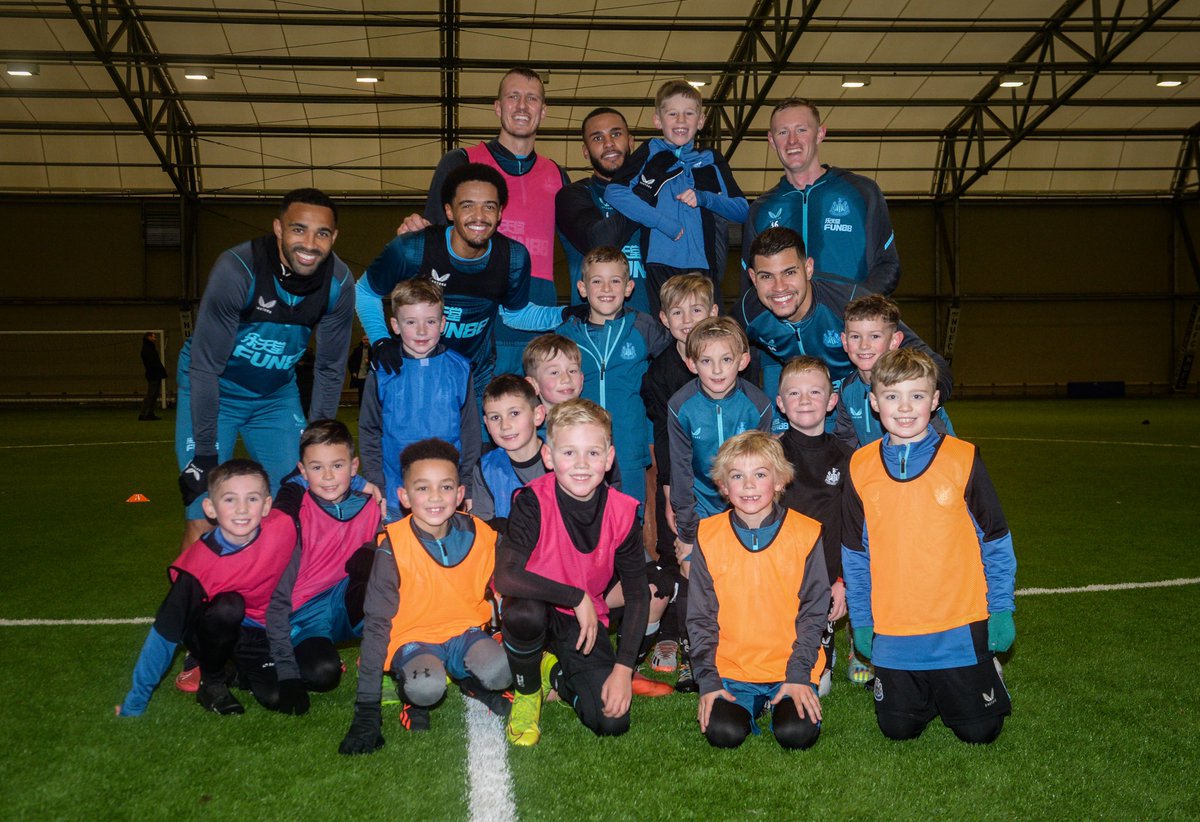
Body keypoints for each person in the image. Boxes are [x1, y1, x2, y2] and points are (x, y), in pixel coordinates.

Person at [842, 348, 1016, 744]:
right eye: (892, 396)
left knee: (980, 731)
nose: (904, 408)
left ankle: (981, 672)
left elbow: (996, 539)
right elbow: (854, 554)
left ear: (935, 400)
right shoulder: (860, 466)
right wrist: (863, 619)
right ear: (873, 402)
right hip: (894, 625)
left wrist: (1001, 609)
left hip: (959, 621)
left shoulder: (963, 457)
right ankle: (933, 687)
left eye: (917, 396)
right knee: (898, 729)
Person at [175, 188, 354, 548]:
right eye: (298, 229)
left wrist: (316, 442)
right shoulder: (238, 269)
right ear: (278, 228)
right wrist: (205, 450)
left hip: (275, 396)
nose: (310, 243)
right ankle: (192, 605)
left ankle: (275, 602)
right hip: (216, 391)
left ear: (333, 237)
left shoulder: (339, 283)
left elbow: (331, 368)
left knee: (294, 505)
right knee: (205, 513)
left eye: (322, 233)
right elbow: (206, 367)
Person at [339, 439, 511, 753]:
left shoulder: (482, 535)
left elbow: (514, 583)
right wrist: (366, 711)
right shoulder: (393, 545)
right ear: (404, 497)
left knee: (501, 671)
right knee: (426, 687)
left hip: (464, 634)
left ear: (460, 495)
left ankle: (467, 680)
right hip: (413, 640)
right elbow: (377, 626)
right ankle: (409, 693)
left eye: (446, 487)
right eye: (422, 488)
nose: (435, 497)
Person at [495, 399, 650, 746]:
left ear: (609, 459)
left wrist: (624, 669)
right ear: (549, 458)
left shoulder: (622, 513)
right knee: (523, 611)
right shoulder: (532, 501)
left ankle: (555, 672)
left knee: (611, 722)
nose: (581, 465)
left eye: (593, 454)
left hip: (583, 624)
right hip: (536, 608)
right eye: (569, 453)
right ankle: (527, 690)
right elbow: (505, 576)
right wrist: (575, 596)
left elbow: (638, 594)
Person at [398, 68, 569, 376]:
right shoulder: (461, 162)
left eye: (531, 99)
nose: (521, 106)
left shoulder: (558, 176)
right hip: (475, 316)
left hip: (535, 316)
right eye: (513, 97)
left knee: (534, 417)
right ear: (498, 107)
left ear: (543, 112)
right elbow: (433, 241)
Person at [357, 163, 561, 397]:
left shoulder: (513, 257)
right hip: (413, 378)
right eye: (467, 206)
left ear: (500, 213)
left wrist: (567, 315)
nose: (479, 216)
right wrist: (380, 342)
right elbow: (365, 292)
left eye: (489, 207)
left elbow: (516, 315)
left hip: (472, 383)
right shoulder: (412, 248)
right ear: (449, 211)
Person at [116, 459, 297, 717]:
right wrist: (136, 701)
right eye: (230, 500)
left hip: (257, 632)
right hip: (211, 630)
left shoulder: (283, 525)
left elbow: (304, 485)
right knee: (229, 606)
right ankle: (212, 681)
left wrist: (363, 486)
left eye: (253, 499)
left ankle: (237, 671)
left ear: (267, 505)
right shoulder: (198, 566)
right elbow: (164, 635)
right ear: (210, 508)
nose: (242, 509)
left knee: (280, 696)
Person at [689, 431, 829, 749]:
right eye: (737, 476)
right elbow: (700, 616)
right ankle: (751, 700)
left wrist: (798, 675)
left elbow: (813, 612)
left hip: (789, 663)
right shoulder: (708, 536)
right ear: (724, 487)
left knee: (796, 734)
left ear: (779, 482)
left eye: (760, 474)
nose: (749, 485)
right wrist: (708, 681)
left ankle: (791, 693)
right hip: (732, 665)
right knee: (723, 733)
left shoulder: (805, 533)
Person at [736, 226, 951, 406]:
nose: (779, 288)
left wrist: (920, 405)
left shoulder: (850, 303)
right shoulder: (749, 311)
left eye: (789, 272)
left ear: (808, 268)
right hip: (811, 409)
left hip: (864, 407)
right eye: (766, 276)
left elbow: (935, 365)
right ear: (753, 278)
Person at [264, 420, 382, 715]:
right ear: (302, 472)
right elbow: (275, 596)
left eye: (337, 466)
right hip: (305, 612)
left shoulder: (371, 505)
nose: (328, 476)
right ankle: (271, 654)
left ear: (354, 466)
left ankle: (397, 654)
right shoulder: (293, 513)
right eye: (316, 468)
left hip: (347, 602)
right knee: (322, 674)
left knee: (383, 566)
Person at [605, 80, 748, 315]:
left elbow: (741, 209)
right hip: (659, 264)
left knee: (708, 338)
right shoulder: (650, 151)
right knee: (667, 338)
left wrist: (704, 198)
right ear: (658, 120)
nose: (681, 121)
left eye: (689, 113)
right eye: (673, 114)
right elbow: (615, 191)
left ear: (700, 121)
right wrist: (661, 222)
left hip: (704, 267)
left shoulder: (711, 159)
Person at [640, 273, 718, 687]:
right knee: (675, 551)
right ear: (664, 320)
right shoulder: (660, 374)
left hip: (726, 479)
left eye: (697, 309)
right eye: (677, 312)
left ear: (714, 313)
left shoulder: (736, 356)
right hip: (680, 478)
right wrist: (670, 491)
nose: (688, 319)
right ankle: (669, 635)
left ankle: (717, 634)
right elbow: (664, 439)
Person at [743, 98, 900, 295]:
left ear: (820, 133)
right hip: (785, 326)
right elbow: (750, 282)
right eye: (783, 132)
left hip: (849, 323)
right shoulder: (761, 209)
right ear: (772, 141)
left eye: (801, 130)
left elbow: (887, 264)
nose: (792, 141)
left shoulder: (861, 192)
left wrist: (857, 308)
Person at [555, 246, 672, 510]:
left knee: (630, 513)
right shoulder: (566, 336)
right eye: (597, 281)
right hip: (581, 445)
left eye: (615, 281)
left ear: (629, 287)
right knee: (583, 514)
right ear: (582, 288)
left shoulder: (643, 327)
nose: (606, 288)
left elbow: (673, 367)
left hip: (629, 442)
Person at [358, 279, 480, 522]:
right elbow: (369, 429)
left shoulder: (460, 368)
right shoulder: (382, 371)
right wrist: (376, 481)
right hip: (395, 493)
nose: (422, 331)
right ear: (395, 325)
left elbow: (470, 430)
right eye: (411, 322)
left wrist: (466, 481)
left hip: (446, 493)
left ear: (443, 323)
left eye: (431, 321)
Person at [667, 316, 773, 575]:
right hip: (701, 507)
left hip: (748, 505)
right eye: (706, 361)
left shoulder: (758, 405)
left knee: (747, 576)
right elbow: (680, 471)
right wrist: (687, 532)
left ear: (743, 361)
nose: (717, 370)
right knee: (693, 572)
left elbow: (766, 470)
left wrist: (760, 520)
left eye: (726, 359)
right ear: (691, 364)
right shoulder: (680, 406)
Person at [775, 356, 853, 692]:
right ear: (780, 403)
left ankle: (825, 640)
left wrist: (842, 582)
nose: (804, 401)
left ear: (832, 400)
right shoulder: (769, 454)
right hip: (777, 575)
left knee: (816, 686)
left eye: (814, 393)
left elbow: (854, 527)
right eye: (794, 394)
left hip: (826, 576)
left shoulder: (848, 458)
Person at [556, 107, 649, 313]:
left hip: (653, 331)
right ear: (586, 151)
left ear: (631, 141)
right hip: (592, 334)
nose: (609, 143)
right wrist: (644, 193)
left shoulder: (657, 194)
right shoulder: (573, 195)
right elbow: (601, 241)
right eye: (598, 138)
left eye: (616, 134)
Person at [835, 293, 955, 449]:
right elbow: (845, 444)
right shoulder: (847, 389)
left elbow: (941, 442)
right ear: (844, 341)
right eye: (855, 337)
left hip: (924, 469)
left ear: (894, 341)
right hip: (877, 471)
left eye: (875, 336)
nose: (864, 345)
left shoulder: (913, 383)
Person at [472, 374, 547, 529]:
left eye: (514, 413)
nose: (505, 426)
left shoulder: (564, 459)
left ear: (538, 415)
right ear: (486, 424)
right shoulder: (486, 469)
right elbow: (484, 531)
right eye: (495, 418)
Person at [522, 332, 584, 420]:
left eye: (572, 371)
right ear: (533, 385)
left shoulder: (595, 425)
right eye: (554, 372)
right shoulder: (530, 431)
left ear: (581, 380)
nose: (566, 379)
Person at [138, 331, 167, 421]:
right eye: (153, 337)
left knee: (154, 394)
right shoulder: (147, 349)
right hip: (153, 374)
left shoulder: (149, 348)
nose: (155, 339)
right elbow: (152, 362)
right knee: (151, 394)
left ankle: (150, 413)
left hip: (154, 374)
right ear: (149, 337)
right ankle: (143, 414)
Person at [347, 335, 371, 406]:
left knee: (370, 394)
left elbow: (377, 362)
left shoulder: (372, 350)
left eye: (367, 339)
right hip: (360, 376)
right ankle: (361, 414)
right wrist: (353, 371)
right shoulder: (357, 350)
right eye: (364, 339)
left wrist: (369, 362)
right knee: (361, 394)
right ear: (362, 340)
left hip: (370, 376)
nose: (366, 341)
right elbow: (350, 361)